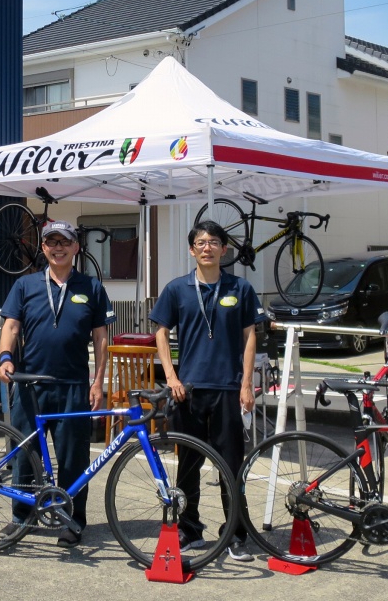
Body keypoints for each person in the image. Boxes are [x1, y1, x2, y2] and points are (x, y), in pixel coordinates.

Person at [150, 219, 262, 562]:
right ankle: (189, 530)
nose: (208, 247)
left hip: (228, 389)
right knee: (188, 465)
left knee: (231, 465)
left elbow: (249, 337)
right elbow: (160, 332)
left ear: (224, 250)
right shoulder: (177, 289)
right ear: (192, 250)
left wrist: (246, 384)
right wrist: (171, 377)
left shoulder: (240, 288)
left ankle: (236, 534)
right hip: (189, 390)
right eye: (201, 242)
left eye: (214, 242)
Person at [0, 219, 114, 546]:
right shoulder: (25, 285)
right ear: (44, 248)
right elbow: (11, 326)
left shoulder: (91, 287)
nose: (58, 248)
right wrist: (6, 357)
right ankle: (22, 517)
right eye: (51, 242)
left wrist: (98, 381)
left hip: (74, 385)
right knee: (25, 453)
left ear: (76, 247)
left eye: (64, 242)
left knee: (73, 457)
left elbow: (101, 337)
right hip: (31, 385)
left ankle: (72, 520)